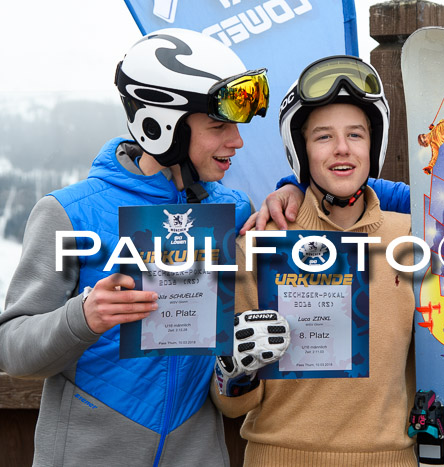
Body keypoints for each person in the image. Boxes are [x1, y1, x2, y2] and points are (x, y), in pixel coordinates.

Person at [0, 28, 290, 466]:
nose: (237, 140)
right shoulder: (70, 213)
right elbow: (12, 348)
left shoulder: (233, 211)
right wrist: (81, 318)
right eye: (218, 126)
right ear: (163, 126)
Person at [212, 55, 418, 466]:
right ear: (301, 150)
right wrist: (235, 372)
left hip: (390, 458)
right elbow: (230, 405)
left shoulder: (413, 237)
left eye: (356, 135)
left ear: (372, 146)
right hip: (279, 456)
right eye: (323, 137)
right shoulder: (262, 240)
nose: (342, 149)